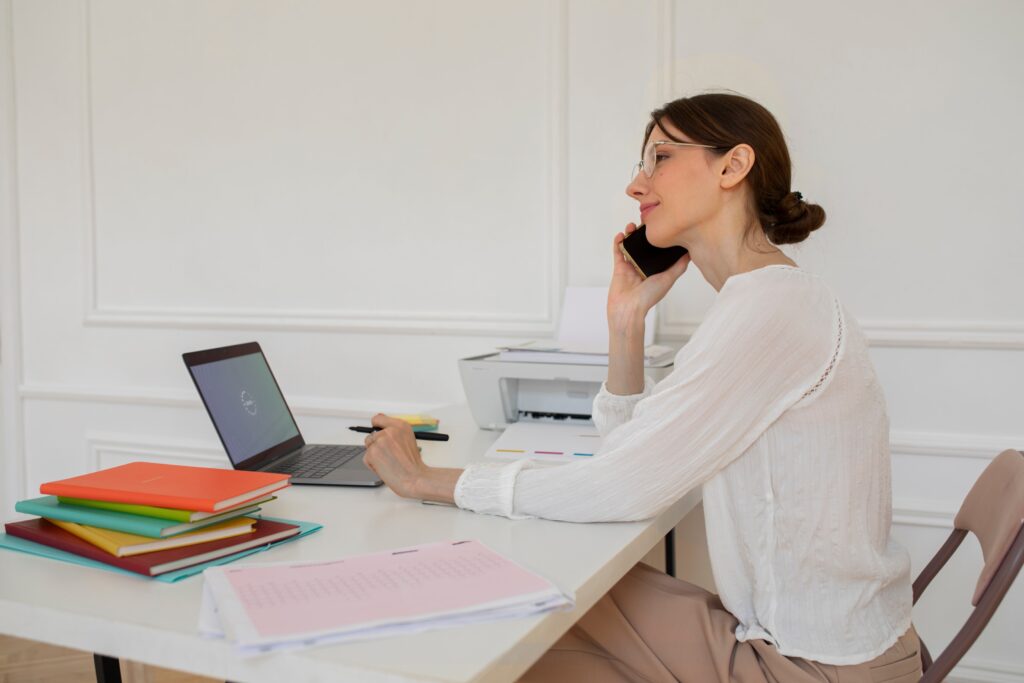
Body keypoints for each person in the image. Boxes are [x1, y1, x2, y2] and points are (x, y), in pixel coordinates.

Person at [360, 92, 921, 683]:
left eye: (659, 158)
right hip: (822, 645)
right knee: (535, 608)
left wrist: (426, 480)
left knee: (517, 618)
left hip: (811, 665)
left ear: (732, 167)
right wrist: (626, 323)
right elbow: (635, 454)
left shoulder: (772, 309)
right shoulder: (762, 302)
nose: (636, 184)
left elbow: (622, 485)